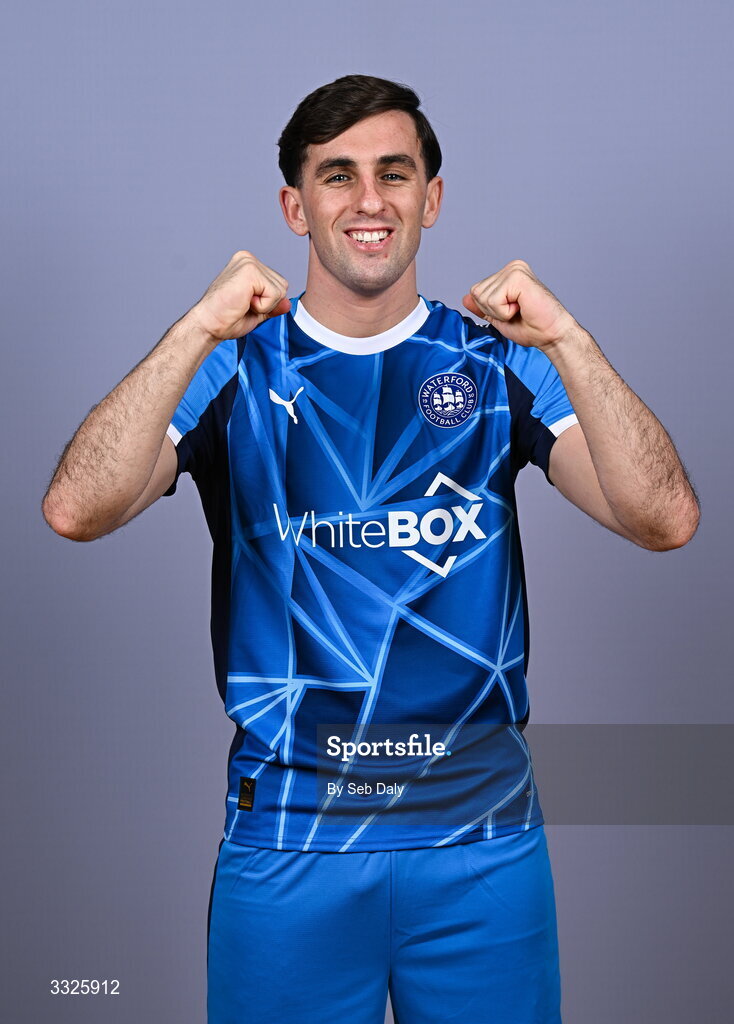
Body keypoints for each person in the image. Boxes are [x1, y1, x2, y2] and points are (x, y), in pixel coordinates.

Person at [42, 74, 700, 1024]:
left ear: (431, 198)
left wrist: (570, 340)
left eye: (395, 173)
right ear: (294, 207)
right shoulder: (231, 368)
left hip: (481, 846)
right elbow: (77, 508)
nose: (368, 200)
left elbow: (663, 518)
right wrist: (195, 327)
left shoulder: (498, 363)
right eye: (337, 175)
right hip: (292, 840)